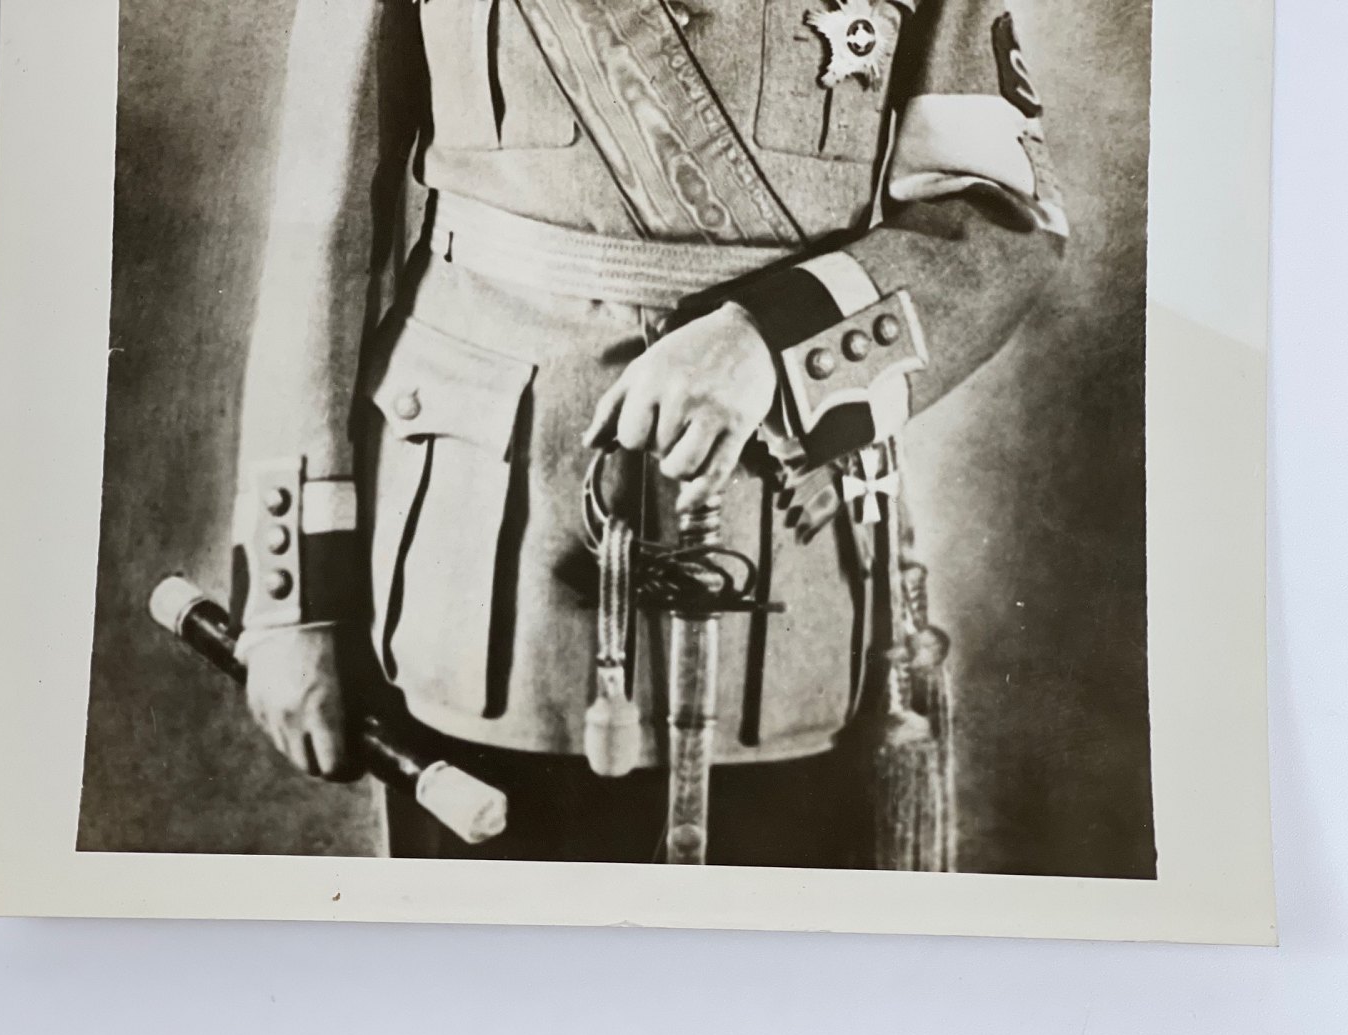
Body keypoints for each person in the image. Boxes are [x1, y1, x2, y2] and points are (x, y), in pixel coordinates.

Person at [228, 0, 1065, 867]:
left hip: (798, 558)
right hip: (484, 570)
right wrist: (296, 601)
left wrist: (775, 342)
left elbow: (997, 215)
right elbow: (318, 218)